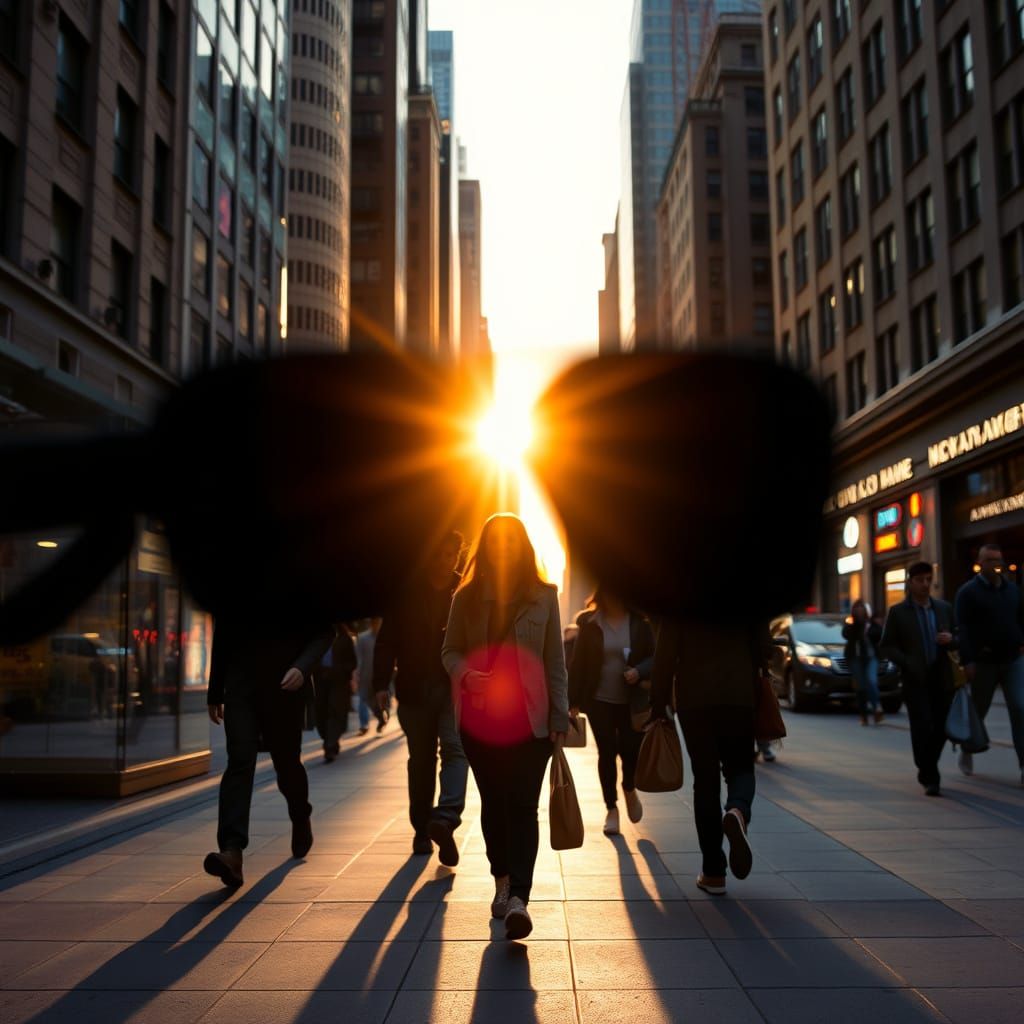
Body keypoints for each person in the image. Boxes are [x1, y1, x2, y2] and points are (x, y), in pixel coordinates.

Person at [442, 513, 569, 940]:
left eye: (511, 542)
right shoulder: (467, 596)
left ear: (523, 547)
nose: (503, 549)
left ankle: (519, 896)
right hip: (480, 720)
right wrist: (464, 674)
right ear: (486, 547)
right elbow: (450, 651)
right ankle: (500, 877)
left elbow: (555, 662)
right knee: (494, 805)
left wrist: (560, 715)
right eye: (495, 542)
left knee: (523, 807)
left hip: (529, 721)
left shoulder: (543, 595)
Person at [204, 619, 335, 887]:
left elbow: (324, 631)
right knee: (240, 760)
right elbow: (225, 630)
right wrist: (215, 689)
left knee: (286, 764)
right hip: (241, 686)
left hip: (285, 687)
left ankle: (300, 815)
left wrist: (302, 666)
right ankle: (232, 851)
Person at [651, 617, 766, 896]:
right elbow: (762, 647)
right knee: (740, 767)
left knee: (705, 780)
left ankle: (713, 872)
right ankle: (738, 810)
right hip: (739, 694)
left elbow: (665, 652)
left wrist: (657, 706)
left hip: (694, 697)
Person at [374, 531, 468, 864]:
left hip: (454, 685)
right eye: (440, 554)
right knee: (422, 760)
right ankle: (421, 828)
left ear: (458, 555)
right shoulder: (407, 591)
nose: (446, 561)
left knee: (456, 749)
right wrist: (380, 684)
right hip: (414, 687)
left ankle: (444, 819)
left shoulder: (466, 588)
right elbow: (387, 640)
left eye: (451, 554)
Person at [568, 587, 655, 835]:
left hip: (632, 701)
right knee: (606, 751)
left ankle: (629, 787)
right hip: (598, 700)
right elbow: (579, 663)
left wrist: (638, 671)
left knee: (630, 750)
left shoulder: (640, 622)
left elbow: (654, 656)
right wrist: (572, 701)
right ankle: (611, 809)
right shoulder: (589, 621)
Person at [880, 562, 956, 796]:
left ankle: (927, 764)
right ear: (910, 582)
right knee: (922, 727)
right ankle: (930, 776)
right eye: (920, 580)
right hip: (915, 679)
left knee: (942, 727)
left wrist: (951, 639)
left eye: (928, 579)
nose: (925, 584)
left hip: (941, 677)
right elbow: (887, 646)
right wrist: (907, 661)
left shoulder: (943, 608)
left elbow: (960, 636)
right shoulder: (898, 612)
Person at [954, 543, 1024, 783]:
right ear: (980, 563)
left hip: (1013, 659)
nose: (996, 565)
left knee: (1020, 708)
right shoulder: (968, 593)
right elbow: (962, 629)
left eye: (999, 560)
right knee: (978, 710)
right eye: (991, 560)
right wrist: (969, 660)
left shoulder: (1012, 590)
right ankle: (968, 749)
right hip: (984, 662)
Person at [315, 626, 357, 760]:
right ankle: (329, 739)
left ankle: (330, 745)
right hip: (320, 681)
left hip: (338, 682)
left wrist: (341, 671)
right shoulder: (316, 637)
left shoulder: (345, 638)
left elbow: (352, 662)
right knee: (321, 713)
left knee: (335, 711)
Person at [843, 599, 884, 726]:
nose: (860, 613)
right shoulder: (851, 625)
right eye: (857, 610)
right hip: (856, 659)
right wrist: (857, 627)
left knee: (871, 681)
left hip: (871, 658)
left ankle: (877, 707)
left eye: (862, 610)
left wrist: (869, 629)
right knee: (861, 687)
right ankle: (864, 715)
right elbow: (845, 634)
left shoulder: (871, 624)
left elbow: (879, 634)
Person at [355, 617, 388, 735]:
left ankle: (382, 716)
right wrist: (357, 674)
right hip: (366, 675)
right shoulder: (363, 638)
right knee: (364, 698)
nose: (376, 625)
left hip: (381, 676)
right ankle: (366, 723)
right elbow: (359, 658)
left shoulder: (385, 636)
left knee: (380, 700)